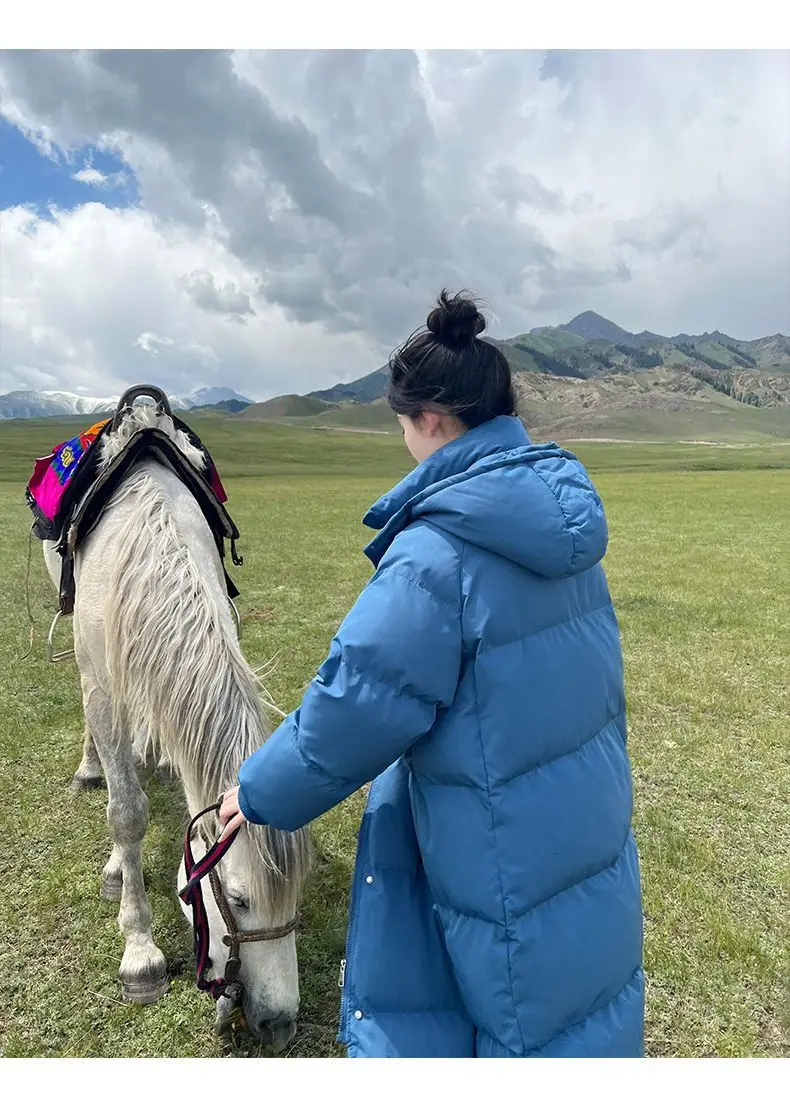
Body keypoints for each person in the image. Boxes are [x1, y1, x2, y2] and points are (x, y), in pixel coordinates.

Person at [219, 290, 644, 1058]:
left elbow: (354, 704)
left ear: (431, 421)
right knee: (580, 1004)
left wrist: (255, 790)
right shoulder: (563, 524)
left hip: (495, 843)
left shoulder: (437, 552)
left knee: (514, 1015)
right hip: (578, 821)